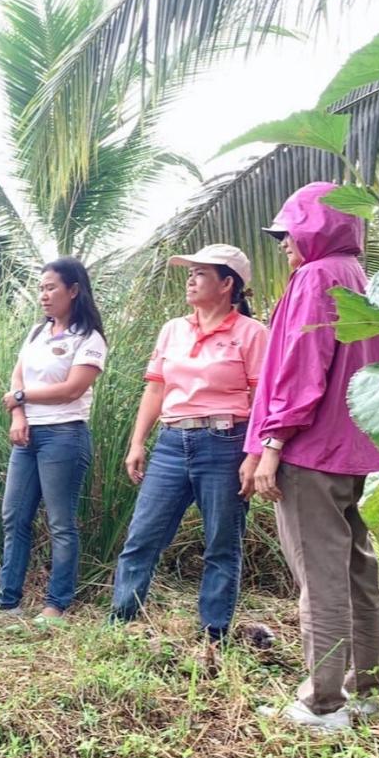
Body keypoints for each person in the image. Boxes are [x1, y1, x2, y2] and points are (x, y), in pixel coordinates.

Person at [247, 182, 379, 732]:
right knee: (357, 569)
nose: (284, 246)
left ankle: (323, 704)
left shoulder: (315, 277)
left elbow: (301, 366)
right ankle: (364, 690)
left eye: (290, 232)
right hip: (361, 449)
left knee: (320, 576)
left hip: (313, 450)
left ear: (313, 228)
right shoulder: (361, 279)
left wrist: (272, 444)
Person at [109, 244, 269, 640]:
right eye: (190, 272)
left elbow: (261, 400)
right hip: (171, 441)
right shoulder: (173, 329)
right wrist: (137, 443)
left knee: (220, 543)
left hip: (225, 442)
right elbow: (155, 389)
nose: (190, 280)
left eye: (200, 273)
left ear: (227, 283)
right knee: (142, 537)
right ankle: (122, 622)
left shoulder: (252, 334)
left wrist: (254, 456)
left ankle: (213, 634)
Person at [0, 258, 106, 621]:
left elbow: (72, 389)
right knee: (14, 517)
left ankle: (56, 604)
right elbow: (16, 379)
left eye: (51, 287)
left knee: (60, 522)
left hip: (64, 435)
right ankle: (7, 601)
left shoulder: (88, 338)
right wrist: (17, 414)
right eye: (41, 288)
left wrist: (23, 398)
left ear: (73, 290)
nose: (43, 295)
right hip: (28, 436)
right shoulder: (36, 333)